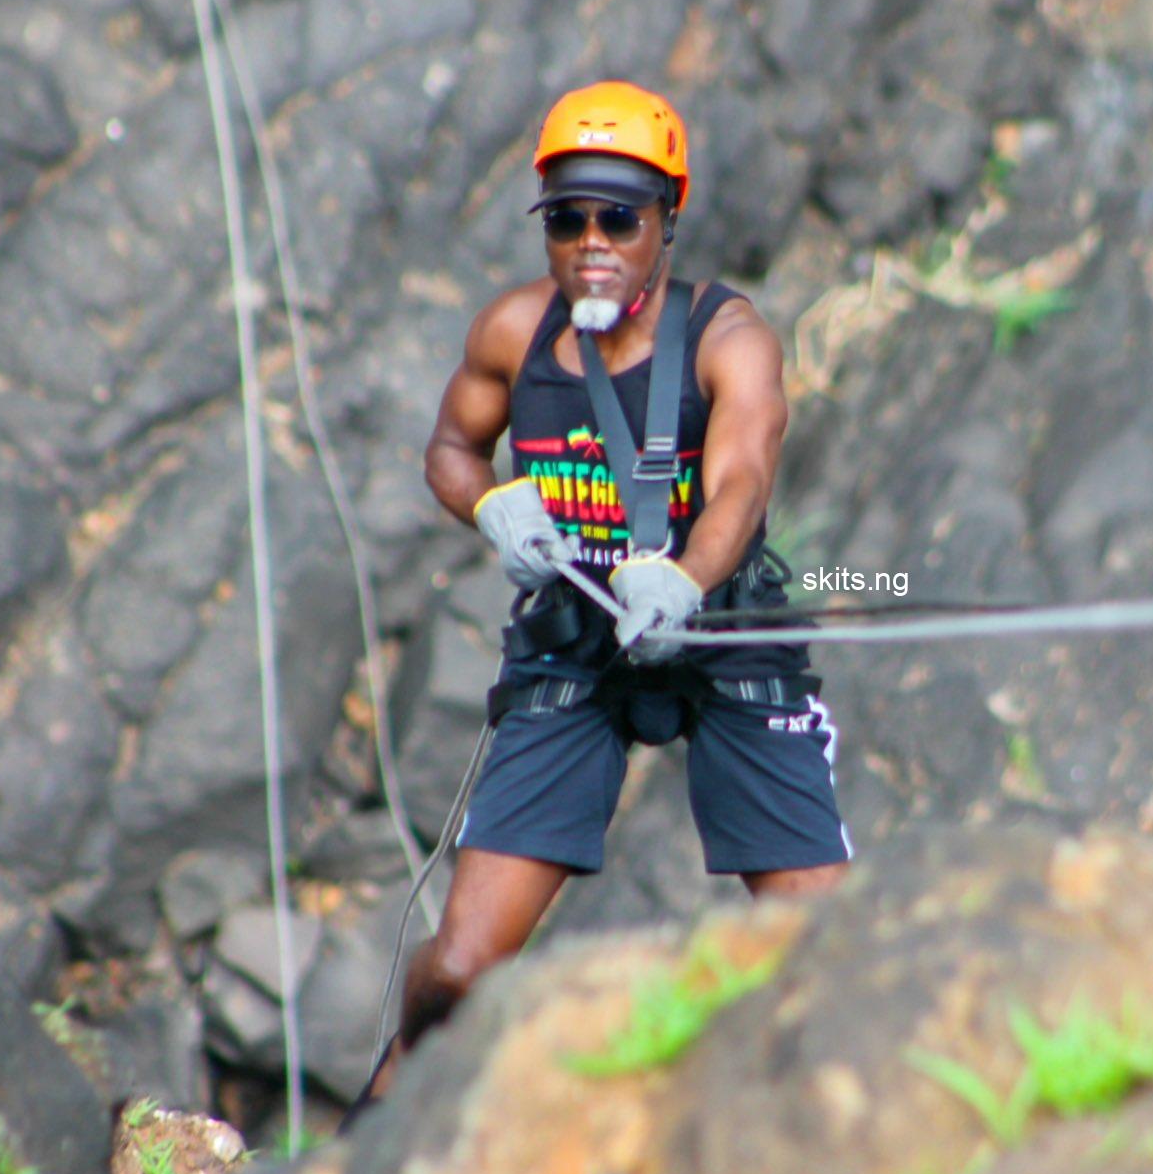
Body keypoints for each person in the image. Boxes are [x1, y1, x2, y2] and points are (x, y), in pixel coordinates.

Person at [355, 81, 851, 1112]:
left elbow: (740, 481)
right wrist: (490, 504)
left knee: (829, 944)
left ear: (667, 219)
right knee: (459, 970)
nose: (591, 244)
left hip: (723, 635)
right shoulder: (513, 333)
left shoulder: (728, 339)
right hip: (575, 642)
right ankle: (379, 1125)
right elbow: (450, 448)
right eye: (567, 219)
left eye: (619, 219)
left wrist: (684, 578)